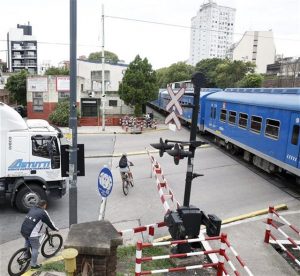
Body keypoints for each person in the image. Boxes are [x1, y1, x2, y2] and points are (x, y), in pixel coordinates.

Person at [20, 200, 59, 269]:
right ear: (44, 205)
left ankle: (26, 256)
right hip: (31, 233)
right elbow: (49, 222)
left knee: (27, 242)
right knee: (35, 248)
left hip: (23, 230)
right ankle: (33, 265)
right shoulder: (43, 212)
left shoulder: (33, 208)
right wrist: (55, 228)